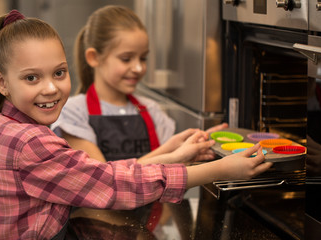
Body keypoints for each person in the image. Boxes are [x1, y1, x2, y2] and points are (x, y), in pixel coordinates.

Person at [0, 9, 272, 240]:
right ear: (2, 82)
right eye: (32, 77)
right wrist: (221, 169)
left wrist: (176, 153)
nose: (50, 88)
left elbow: (101, 175)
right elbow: (110, 182)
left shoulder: (3, 125)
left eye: (59, 73)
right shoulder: (30, 143)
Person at [50, 5, 229, 237]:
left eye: (143, 58)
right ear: (94, 57)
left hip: (145, 230)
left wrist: (202, 146)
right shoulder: (75, 112)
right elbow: (103, 184)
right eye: (126, 58)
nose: (138, 68)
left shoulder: (152, 111)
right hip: (91, 229)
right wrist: (171, 151)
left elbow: (176, 174)